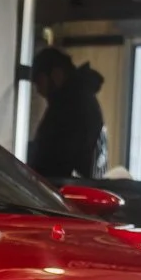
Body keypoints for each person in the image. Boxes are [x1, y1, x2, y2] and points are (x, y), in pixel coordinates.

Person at [27, 47, 106, 181]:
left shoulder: (70, 105)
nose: (38, 90)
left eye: (39, 81)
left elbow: (55, 158)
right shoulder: (80, 99)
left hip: (61, 191)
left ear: (56, 74)